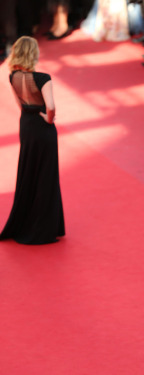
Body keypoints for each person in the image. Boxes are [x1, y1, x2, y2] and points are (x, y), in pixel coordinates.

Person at [0, 36, 65, 245]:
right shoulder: (43, 78)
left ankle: (24, 222)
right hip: (43, 128)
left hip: (26, 125)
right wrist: (49, 118)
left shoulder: (13, 77)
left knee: (28, 171)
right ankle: (43, 230)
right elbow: (51, 106)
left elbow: (21, 104)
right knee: (46, 176)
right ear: (33, 54)